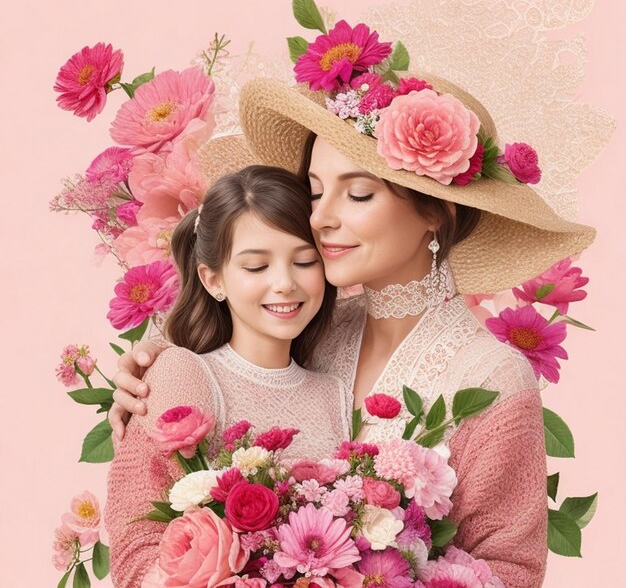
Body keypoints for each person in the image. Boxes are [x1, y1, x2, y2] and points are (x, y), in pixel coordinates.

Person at [110, 73, 595, 587]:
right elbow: (220, 362)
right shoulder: (310, 325)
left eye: (358, 193)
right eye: (315, 193)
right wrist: (154, 363)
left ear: (435, 210)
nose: (320, 219)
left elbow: (510, 570)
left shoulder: (493, 379)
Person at [105, 165, 350, 588]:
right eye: (256, 267)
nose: (285, 284)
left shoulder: (337, 391)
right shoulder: (185, 373)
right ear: (213, 279)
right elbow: (135, 537)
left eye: (305, 261)